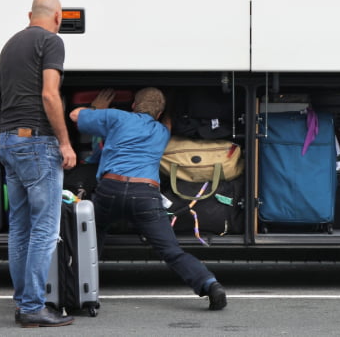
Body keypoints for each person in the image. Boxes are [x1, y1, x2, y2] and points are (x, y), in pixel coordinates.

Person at [69, 87, 227, 311]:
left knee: (91, 241)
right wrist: (168, 107)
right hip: (145, 194)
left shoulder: (117, 117)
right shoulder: (162, 132)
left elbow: (74, 116)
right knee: (171, 251)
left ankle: (78, 289)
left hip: (110, 189)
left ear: (133, 105)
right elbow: (169, 124)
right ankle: (209, 284)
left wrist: (97, 109)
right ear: (160, 114)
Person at [0, 0, 76, 328]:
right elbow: (48, 93)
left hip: (8, 140)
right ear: (57, 17)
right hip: (37, 143)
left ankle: (23, 302)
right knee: (44, 228)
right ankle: (32, 307)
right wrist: (65, 142)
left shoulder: (10, 44)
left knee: (20, 227)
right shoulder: (50, 42)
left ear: (31, 14)